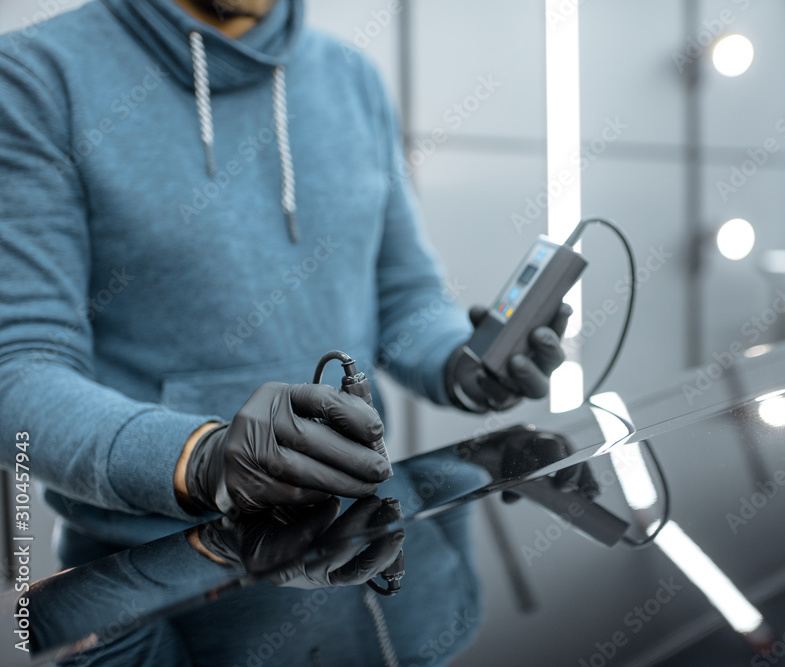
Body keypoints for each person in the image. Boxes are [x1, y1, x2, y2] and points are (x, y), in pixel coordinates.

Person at [0, 0, 569, 567]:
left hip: (357, 545)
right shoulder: (34, 75)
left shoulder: (352, 77)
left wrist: (463, 366)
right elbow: (17, 370)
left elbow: (404, 296)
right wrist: (200, 457)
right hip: (154, 568)